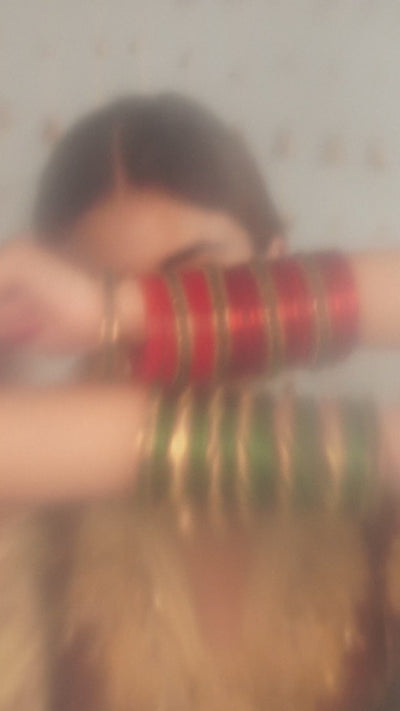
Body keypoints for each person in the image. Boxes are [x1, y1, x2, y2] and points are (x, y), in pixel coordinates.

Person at [1, 93, 400, 710]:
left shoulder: (376, 511)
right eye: (103, 284)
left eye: (200, 279)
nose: (152, 350)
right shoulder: (36, 521)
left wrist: (119, 308)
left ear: (277, 264)